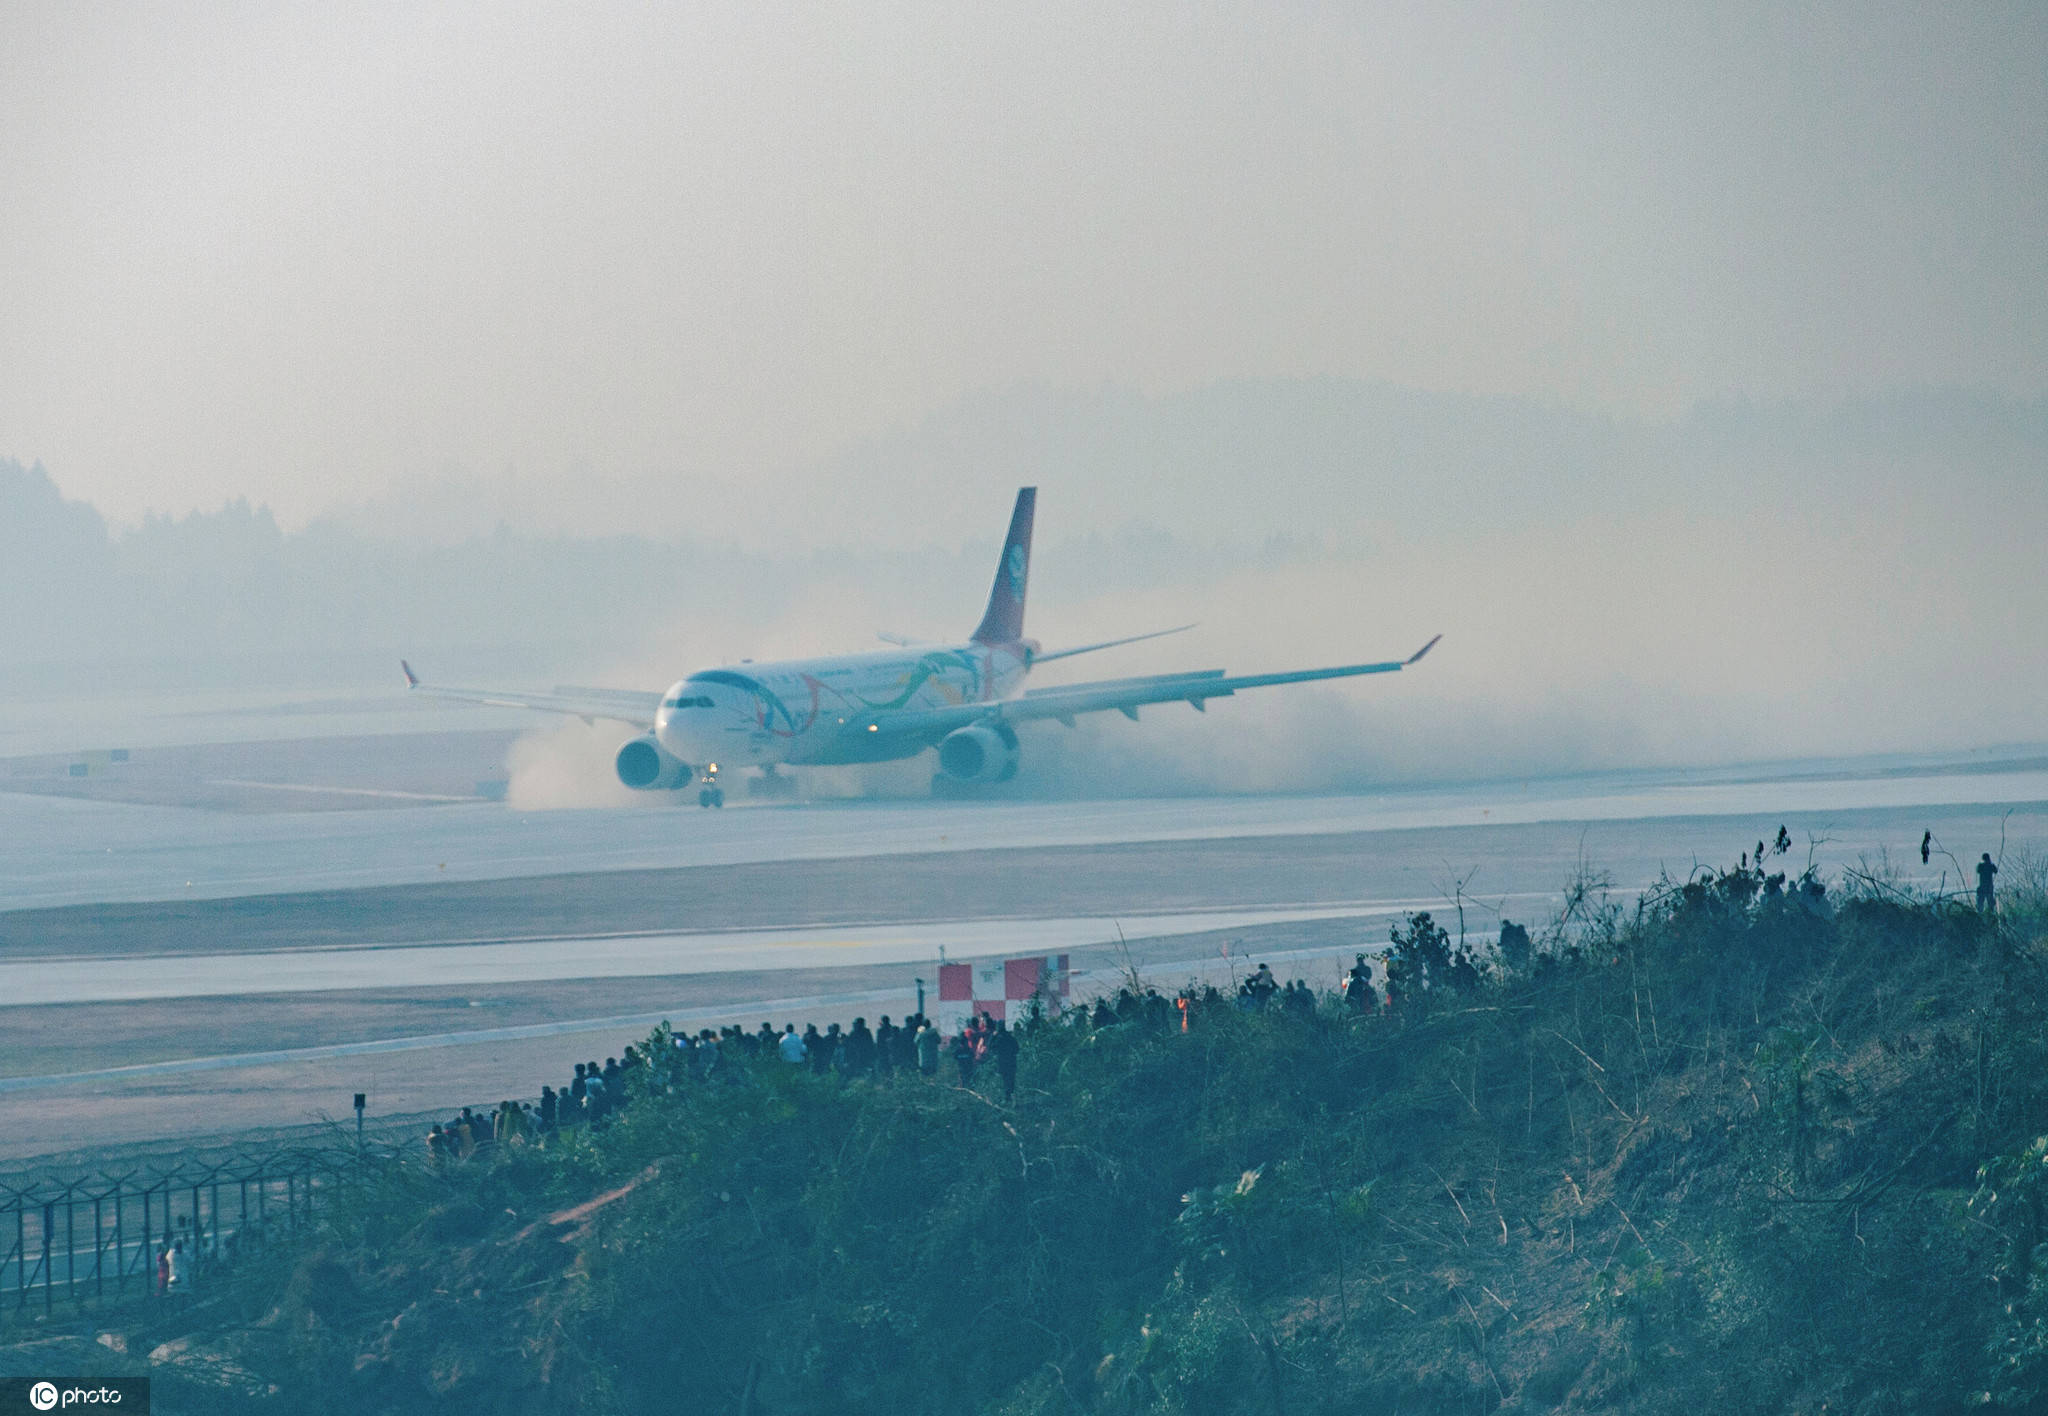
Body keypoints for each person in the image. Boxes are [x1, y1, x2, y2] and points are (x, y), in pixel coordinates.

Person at [990, 1020, 1020, 1102]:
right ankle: (1012, 1098)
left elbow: (990, 1047)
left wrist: (993, 1036)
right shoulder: (1010, 1037)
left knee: (1005, 1080)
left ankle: (1008, 1098)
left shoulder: (997, 1037)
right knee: (1011, 1080)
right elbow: (1017, 1049)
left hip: (1002, 1062)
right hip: (1012, 1061)